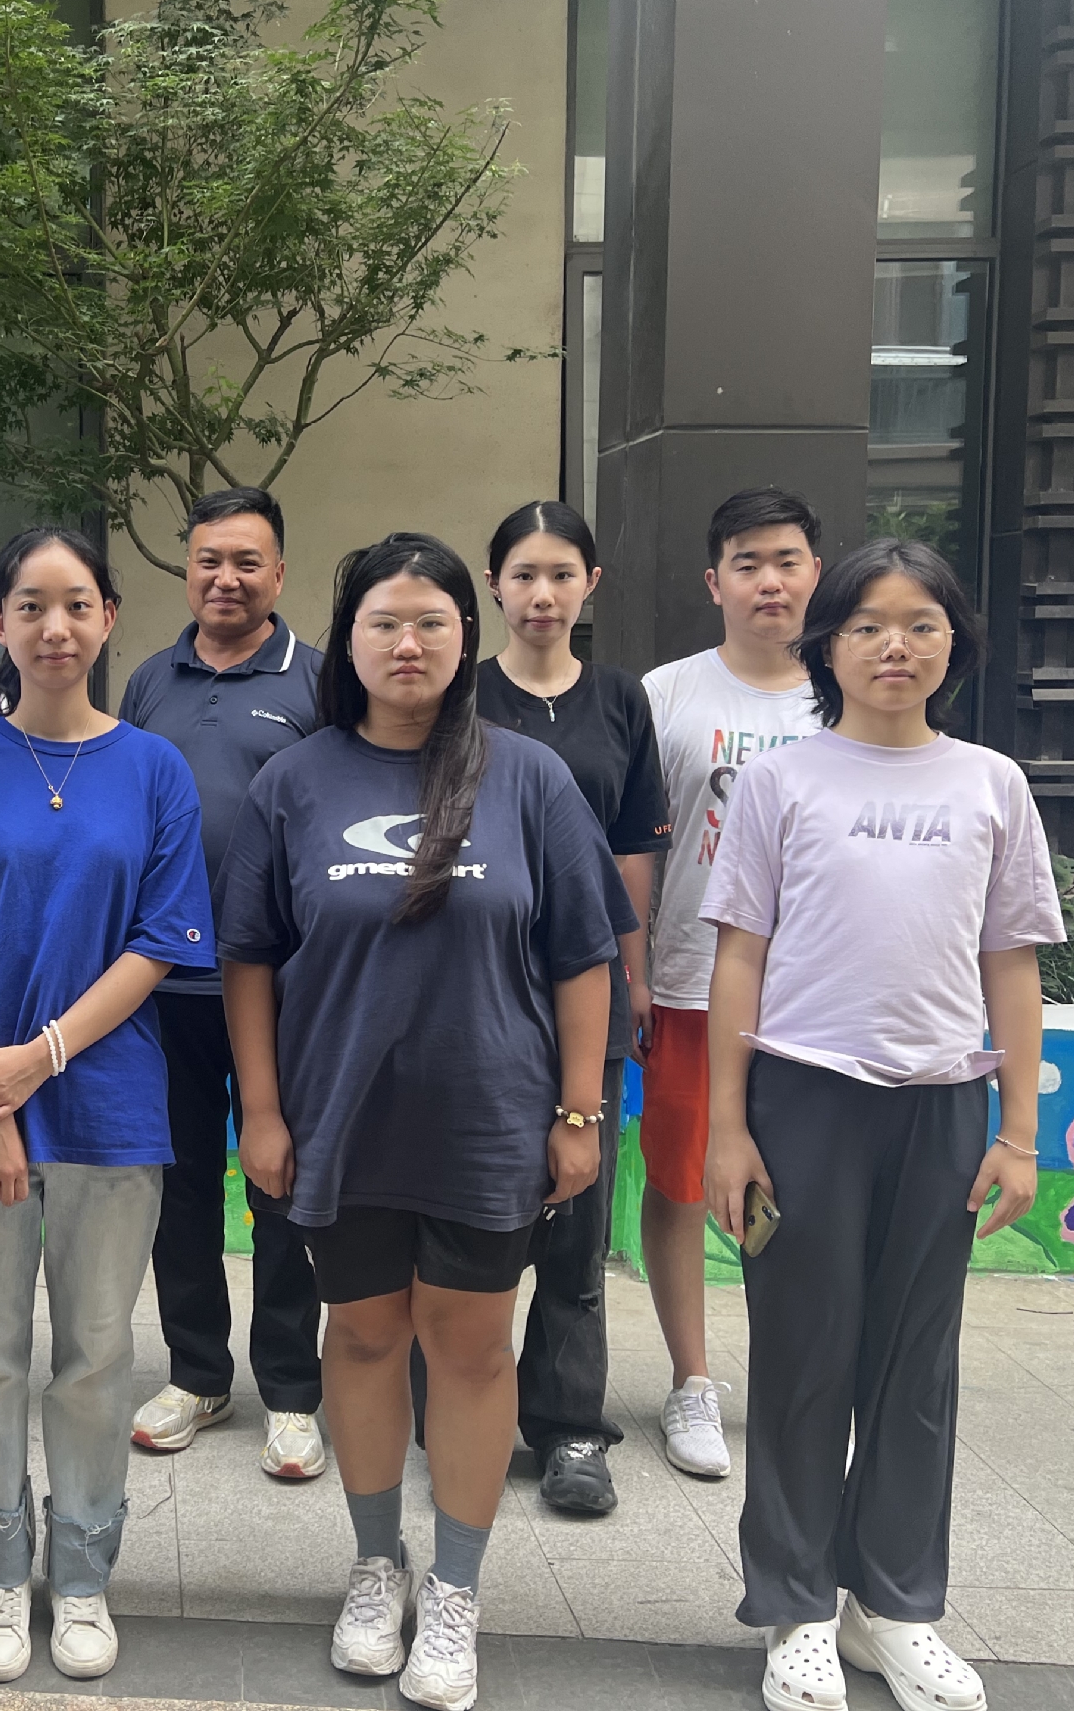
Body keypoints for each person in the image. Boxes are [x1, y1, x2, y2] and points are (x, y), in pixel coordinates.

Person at [223, 534, 634, 1711]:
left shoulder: (529, 779)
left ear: (466, 637)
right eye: (384, 624)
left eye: (432, 624)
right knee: (360, 1338)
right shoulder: (294, 784)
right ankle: (375, 1566)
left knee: (469, 1346)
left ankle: (455, 1588)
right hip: (340, 1119)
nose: (408, 645)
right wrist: (262, 1111)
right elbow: (250, 959)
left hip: (488, 1121)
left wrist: (580, 1111)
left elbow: (585, 957)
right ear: (346, 641)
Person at [701, 538, 1059, 1711]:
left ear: (956, 642)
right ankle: (796, 1608)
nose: (894, 647)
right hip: (803, 1099)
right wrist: (728, 1130)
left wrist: (1017, 1133)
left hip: (944, 1107)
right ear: (829, 646)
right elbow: (738, 960)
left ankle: (893, 1608)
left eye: (920, 625)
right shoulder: (781, 783)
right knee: (803, 1363)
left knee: (914, 1372)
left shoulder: (991, 785)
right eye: (866, 626)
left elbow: (1011, 964)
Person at [0, 528, 214, 1684]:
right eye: (31, 605)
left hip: (113, 1103)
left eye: (77, 604)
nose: (55, 627)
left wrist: (39, 1059)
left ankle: (81, 1574)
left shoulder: (153, 768)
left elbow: (160, 941)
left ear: (108, 617)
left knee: (95, 1351)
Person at [119, 486, 327, 1479]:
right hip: (167, 984)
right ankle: (197, 1373)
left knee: (285, 1186)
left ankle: (291, 1389)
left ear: (279, 573)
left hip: (290, 986)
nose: (227, 579)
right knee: (182, 1189)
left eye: (248, 562)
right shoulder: (148, 683)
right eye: (210, 560)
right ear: (187, 569)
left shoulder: (320, 683)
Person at [470, 501, 667, 1517]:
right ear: (494, 586)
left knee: (576, 1219)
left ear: (591, 583)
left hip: (587, 989)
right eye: (523, 575)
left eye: (560, 574)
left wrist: (635, 974)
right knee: (466, 1211)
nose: (541, 594)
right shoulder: (461, 696)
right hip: (480, 988)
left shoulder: (621, 700)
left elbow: (632, 851)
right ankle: (459, 1404)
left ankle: (569, 1426)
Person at [639, 486, 824, 1481]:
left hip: (818, 999)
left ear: (815, 574)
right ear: (715, 582)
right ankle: (692, 1381)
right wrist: (634, 970)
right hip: (690, 984)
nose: (769, 581)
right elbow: (638, 847)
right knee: (680, 1180)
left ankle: (796, 1381)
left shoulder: (846, 694)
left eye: (787, 560)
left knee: (803, 1191)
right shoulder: (666, 695)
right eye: (748, 563)